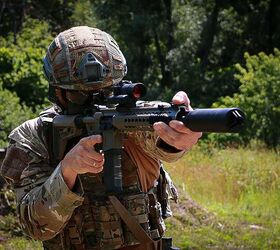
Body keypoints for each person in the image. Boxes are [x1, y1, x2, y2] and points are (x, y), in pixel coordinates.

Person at [0, 26, 202, 250]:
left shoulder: (134, 120)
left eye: (107, 92)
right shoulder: (33, 137)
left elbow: (160, 138)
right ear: (56, 91)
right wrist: (67, 171)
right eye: (80, 94)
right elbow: (35, 227)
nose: (96, 102)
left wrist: (180, 135)